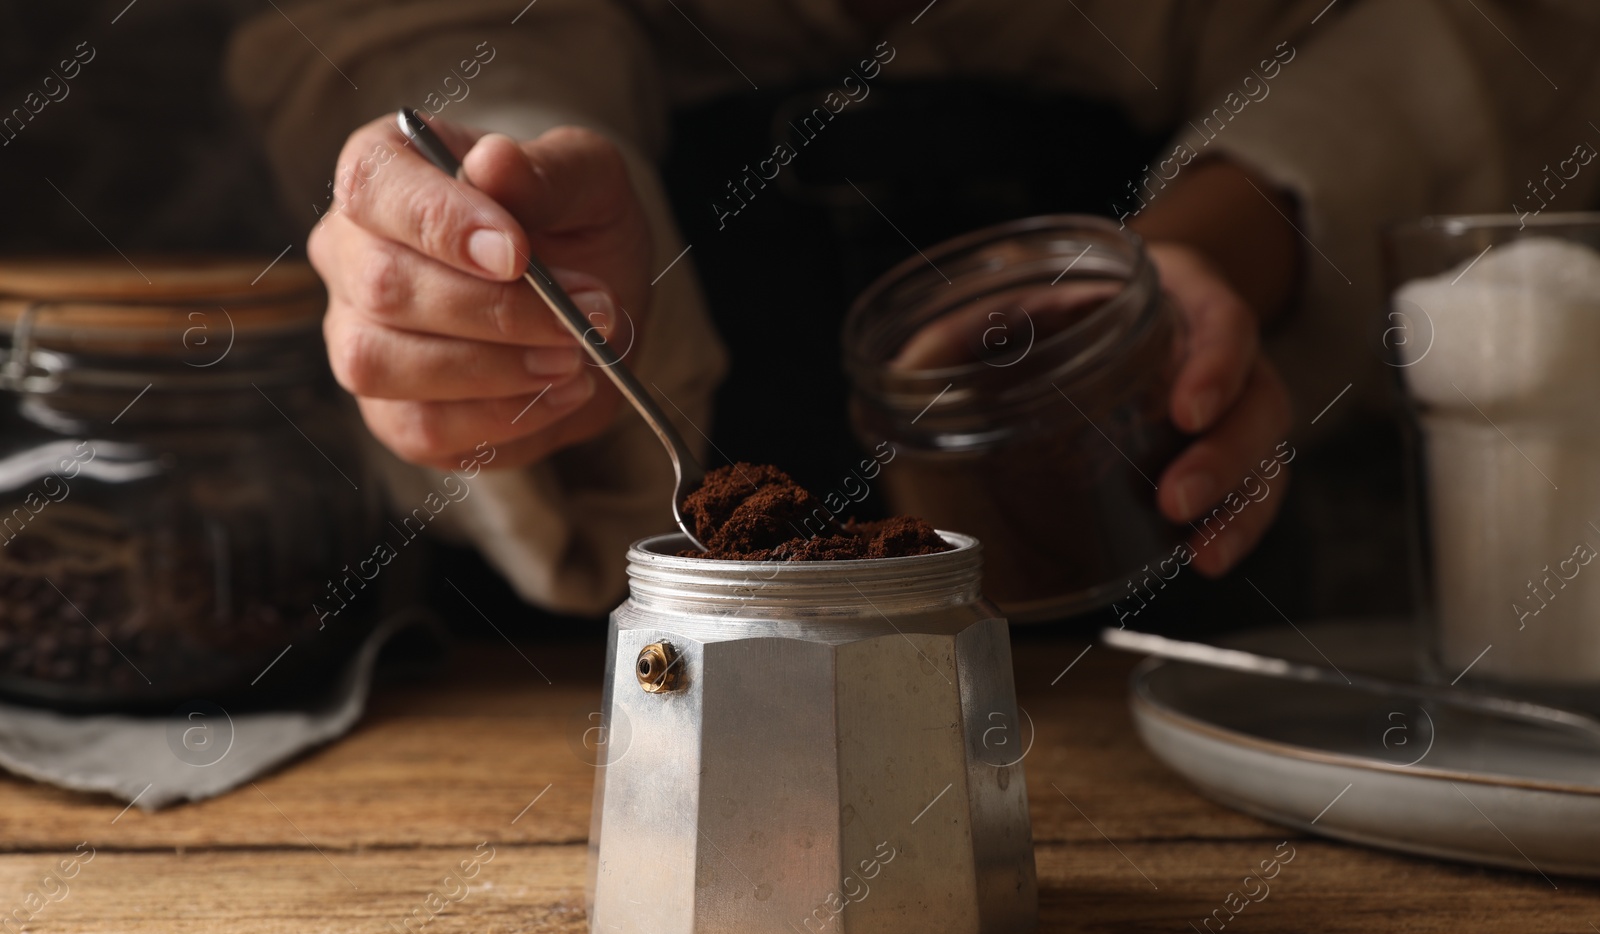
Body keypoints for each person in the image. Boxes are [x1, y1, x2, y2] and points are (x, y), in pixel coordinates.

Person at [221, 0, 1600, 615]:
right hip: (542, 660)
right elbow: (387, 32)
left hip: (1162, 576)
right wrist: (489, 221)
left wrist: (1209, 257)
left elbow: (1504, 24)